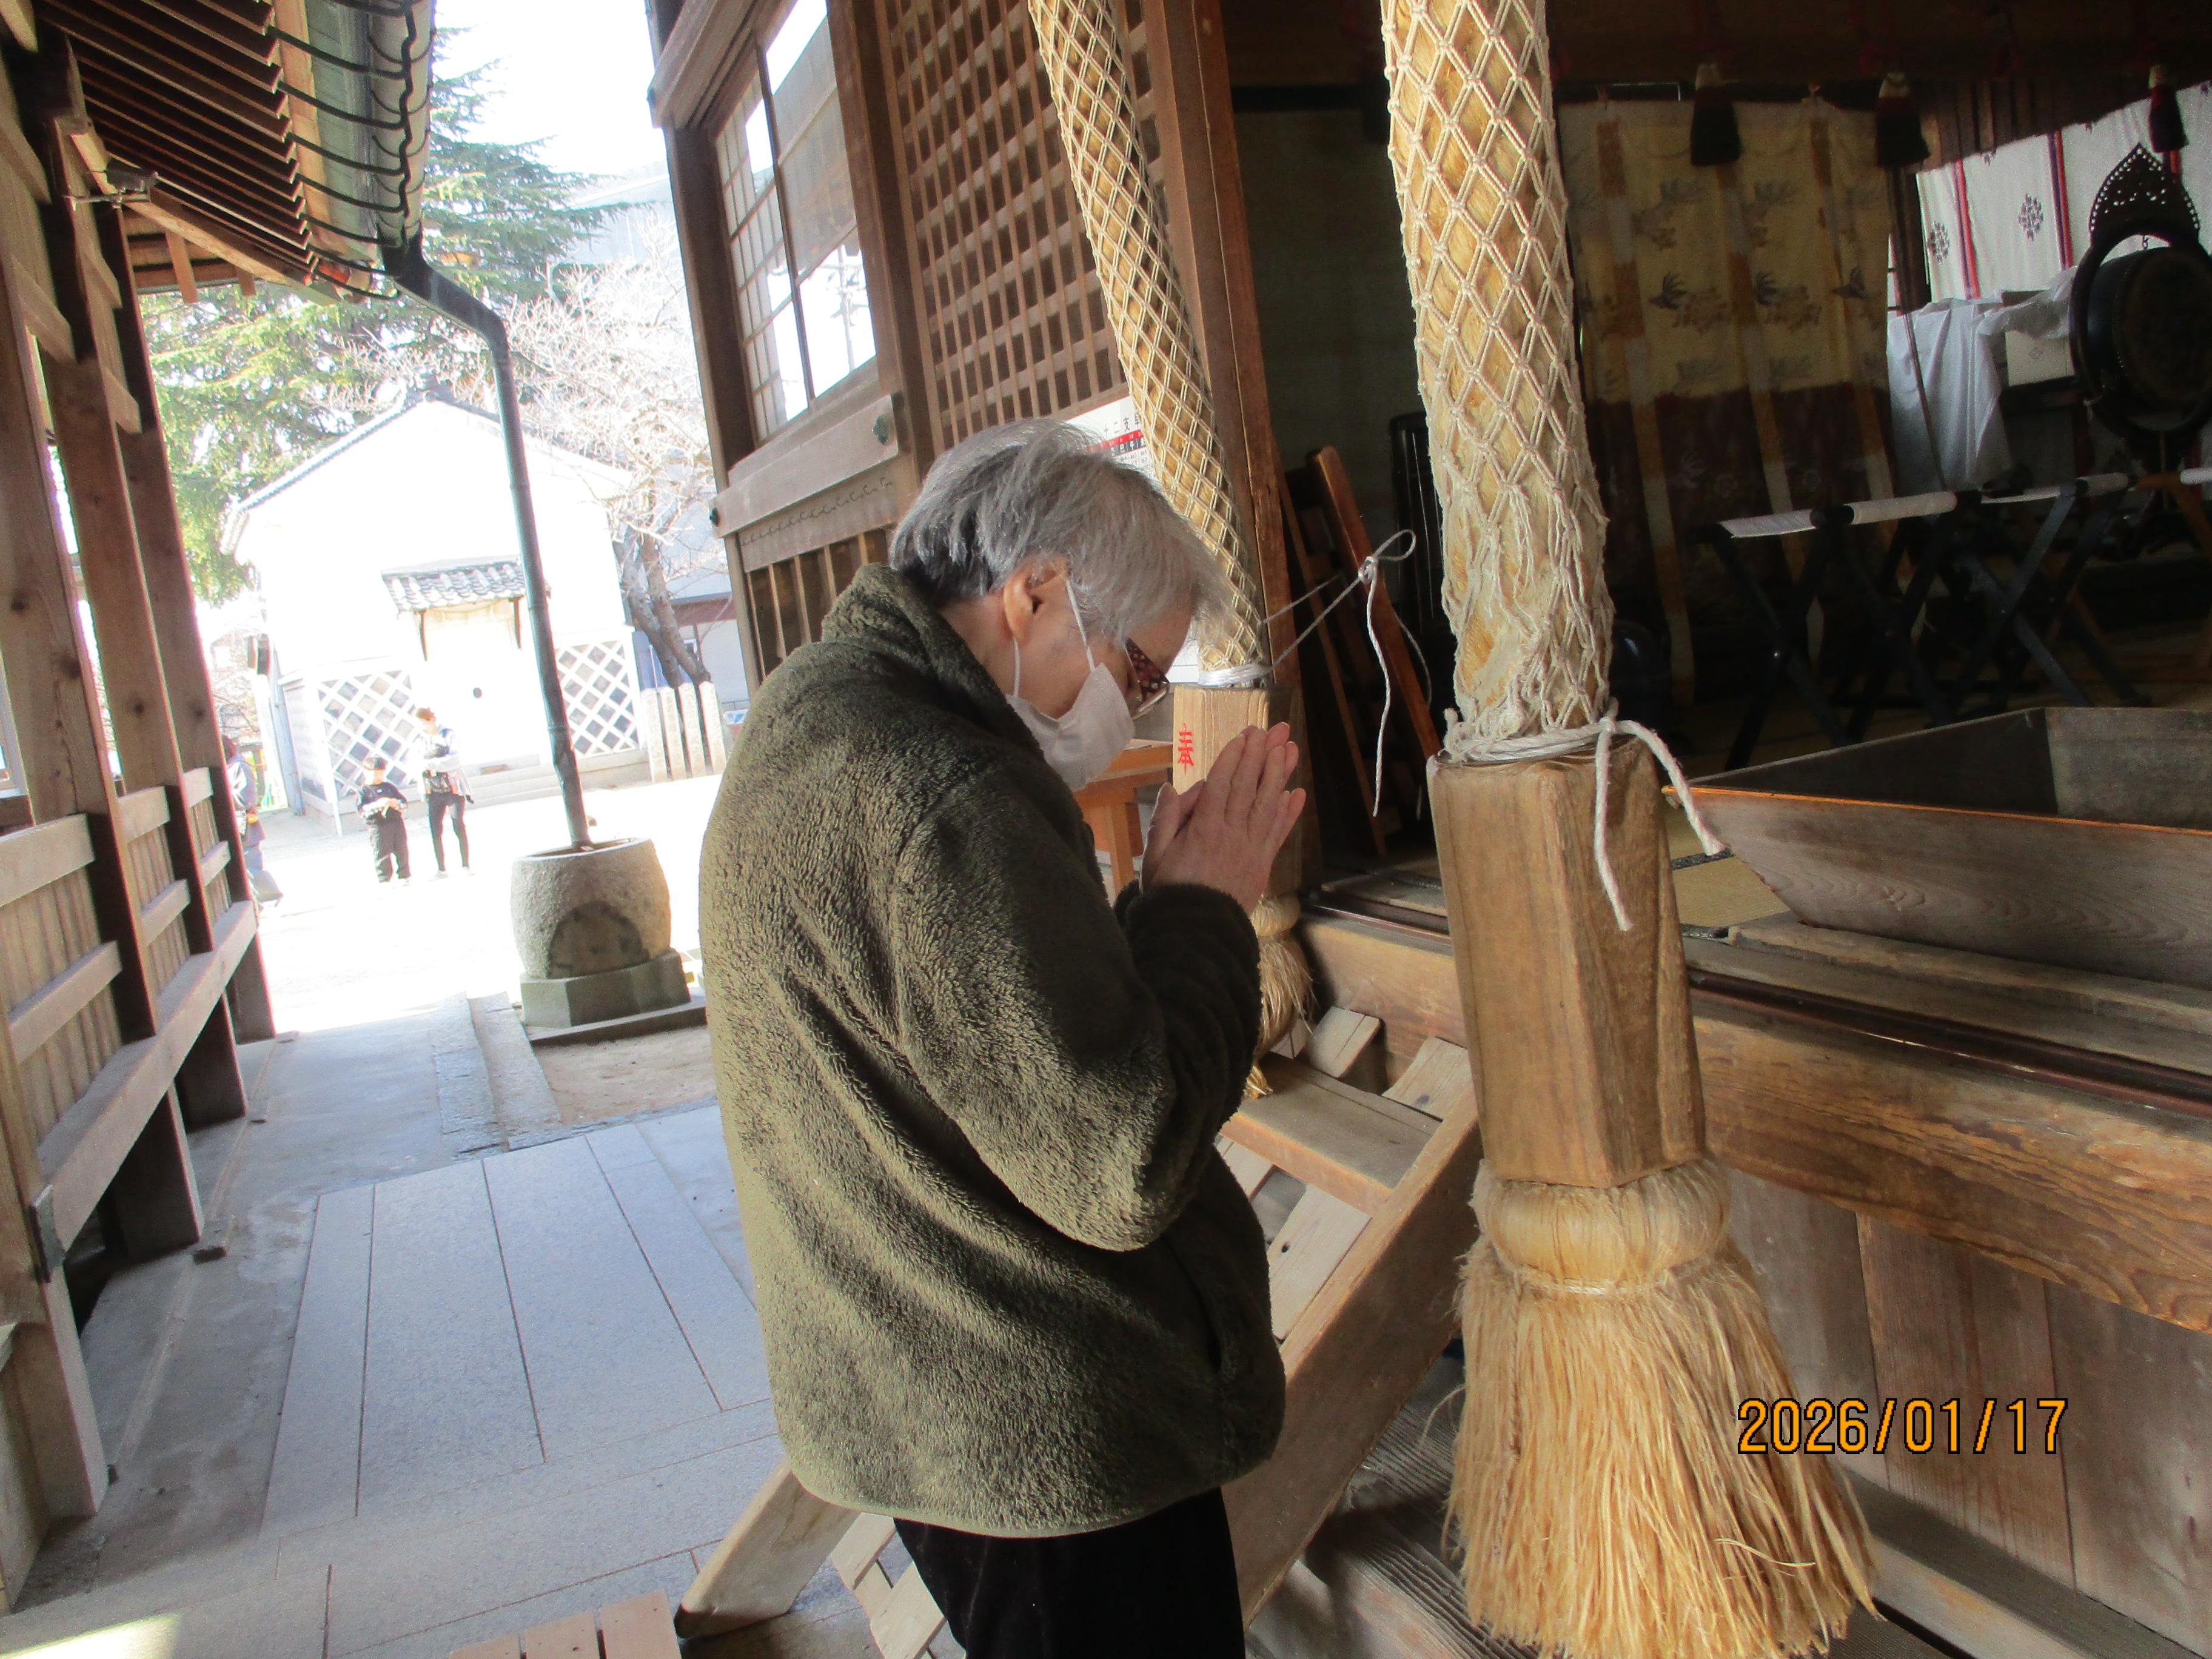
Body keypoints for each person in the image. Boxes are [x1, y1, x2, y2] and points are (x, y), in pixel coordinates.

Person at [700, 421, 1305, 1657]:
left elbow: (984, 1050)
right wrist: (1199, 909)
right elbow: (1119, 1162)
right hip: (1036, 1424)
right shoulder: (948, 794)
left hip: (915, 1375)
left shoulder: (815, 708)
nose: (1135, 711)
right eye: (1139, 672)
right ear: (1035, 593)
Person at [412, 706, 472, 876]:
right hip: (433, 789)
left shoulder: (448, 735)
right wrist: (436, 763)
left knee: (458, 824)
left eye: (423, 722)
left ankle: (465, 865)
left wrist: (432, 763)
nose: (421, 727)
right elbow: (416, 763)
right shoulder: (419, 740)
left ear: (431, 720)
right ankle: (441, 869)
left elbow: (455, 760)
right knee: (435, 829)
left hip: (453, 788)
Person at [223, 734, 281, 904]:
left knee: (251, 866)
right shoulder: (229, 767)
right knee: (244, 868)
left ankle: (270, 897)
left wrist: (221, 795)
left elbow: (246, 798)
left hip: (246, 825)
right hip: (237, 826)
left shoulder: (239, 766)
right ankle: (260, 901)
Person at [358, 759, 411, 885]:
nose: (378, 777)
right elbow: (362, 811)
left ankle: (404, 876)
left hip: (396, 822)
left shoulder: (389, 787)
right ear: (366, 773)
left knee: (402, 849)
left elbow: (404, 804)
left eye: (381, 774)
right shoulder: (364, 791)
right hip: (377, 825)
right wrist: (377, 805)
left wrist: (396, 803)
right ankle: (384, 878)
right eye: (375, 774)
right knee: (381, 852)